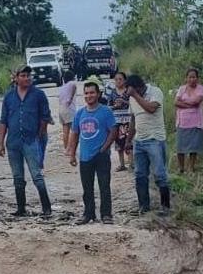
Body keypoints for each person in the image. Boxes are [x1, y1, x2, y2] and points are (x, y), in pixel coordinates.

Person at [0, 65, 53, 219]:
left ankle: (46, 207)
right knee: (17, 177)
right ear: (16, 78)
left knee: (37, 175)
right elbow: (3, 121)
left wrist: (39, 135)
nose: (27, 78)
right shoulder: (9, 97)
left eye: (28, 75)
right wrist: (0, 143)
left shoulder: (38, 95)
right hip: (13, 142)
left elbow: (45, 117)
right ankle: (21, 208)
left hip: (31, 140)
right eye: (23, 75)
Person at [66, 81, 118, 225]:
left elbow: (113, 131)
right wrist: (72, 154)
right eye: (87, 93)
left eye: (92, 93)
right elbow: (75, 134)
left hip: (101, 156)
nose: (89, 96)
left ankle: (106, 214)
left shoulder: (105, 111)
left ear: (98, 94)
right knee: (87, 188)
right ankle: (88, 214)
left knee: (104, 186)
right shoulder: (80, 114)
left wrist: (104, 148)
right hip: (85, 156)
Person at [127, 73, 171, 217]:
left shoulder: (155, 92)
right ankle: (143, 206)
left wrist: (135, 95)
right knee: (140, 174)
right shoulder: (132, 98)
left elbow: (151, 108)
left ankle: (165, 206)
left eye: (135, 91)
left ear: (140, 87)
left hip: (155, 140)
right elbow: (133, 119)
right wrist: (128, 140)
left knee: (160, 174)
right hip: (139, 141)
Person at [174, 67, 203, 174]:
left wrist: (183, 103)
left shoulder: (201, 88)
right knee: (180, 147)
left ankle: (191, 168)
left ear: (197, 78)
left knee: (194, 147)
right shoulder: (182, 89)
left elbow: (197, 102)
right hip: (182, 122)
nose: (192, 79)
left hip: (195, 122)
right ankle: (181, 168)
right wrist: (190, 105)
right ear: (186, 78)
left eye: (194, 77)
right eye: (190, 77)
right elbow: (176, 103)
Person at [107, 71, 135, 172]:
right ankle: (122, 164)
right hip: (117, 120)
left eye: (120, 79)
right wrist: (115, 106)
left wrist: (124, 102)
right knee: (118, 143)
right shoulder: (112, 92)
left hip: (128, 120)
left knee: (129, 141)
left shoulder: (129, 91)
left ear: (125, 81)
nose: (118, 81)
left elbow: (134, 103)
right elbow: (108, 106)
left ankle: (131, 164)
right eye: (116, 79)